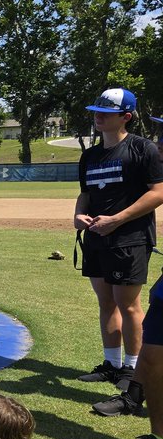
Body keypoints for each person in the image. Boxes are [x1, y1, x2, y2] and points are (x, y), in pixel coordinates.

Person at [73, 88, 163, 386]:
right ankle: (112, 364)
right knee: (106, 303)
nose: (98, 117)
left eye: (106, 113)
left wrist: (117, 219)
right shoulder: (90, 156)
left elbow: (158, 192)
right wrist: (78, 216)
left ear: (125, 117)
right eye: (97, 111)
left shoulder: (142, 149)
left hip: (130, 238)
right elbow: (86, 193)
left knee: (128, 305)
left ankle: (132, 369)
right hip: (97, 238)